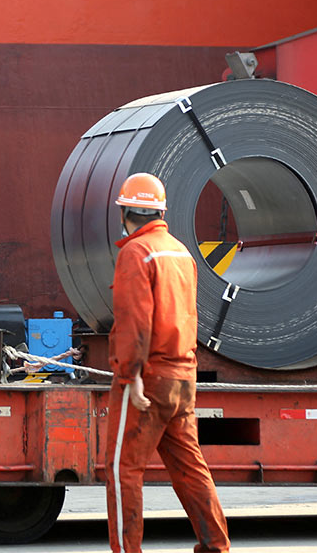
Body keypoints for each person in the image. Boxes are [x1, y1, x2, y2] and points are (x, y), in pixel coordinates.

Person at [104, 172, 229, 553]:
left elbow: (135, 321)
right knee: (190, 467)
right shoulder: (180, 252)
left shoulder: (135, 253)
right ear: (159, 211)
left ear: (125, 212)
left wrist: (132, 375)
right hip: (183, 377)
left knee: (123, 469)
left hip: (149, 378)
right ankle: (216, 547)